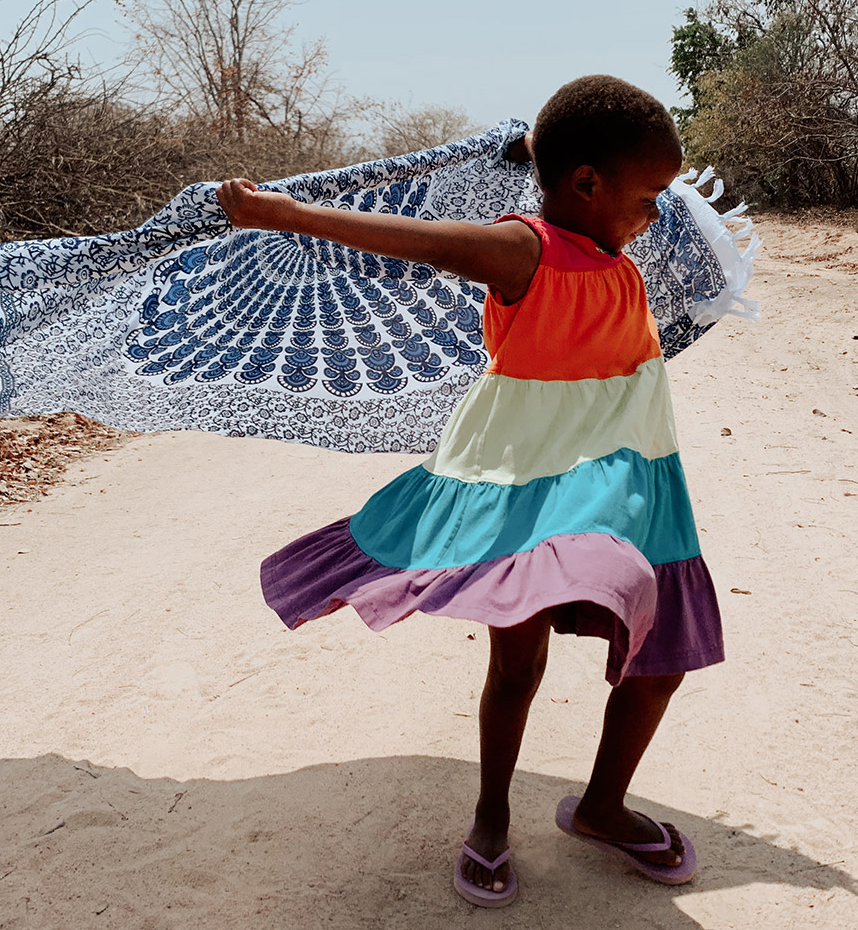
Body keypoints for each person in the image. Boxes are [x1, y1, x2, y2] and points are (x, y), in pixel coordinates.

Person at [216, 75, 724, 907]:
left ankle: (600, 806)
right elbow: (416, 240)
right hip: (524, 477)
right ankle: (491, 816)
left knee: (659, 651)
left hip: (627, 472)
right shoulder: (525, 250)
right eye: (650, 195)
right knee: (518, 656)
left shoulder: (611, 250)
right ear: (588, 183)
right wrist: (286, 214)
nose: (656, 214)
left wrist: (532, 147)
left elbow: (569, 174)